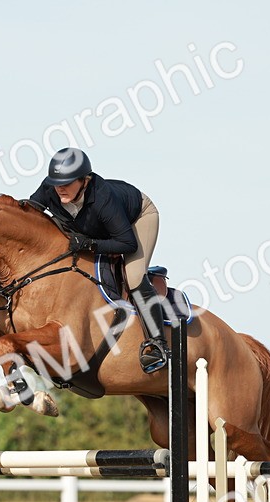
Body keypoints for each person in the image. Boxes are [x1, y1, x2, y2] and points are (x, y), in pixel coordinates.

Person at [29, 148, 168, 373]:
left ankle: (158, 344)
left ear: (85, 180)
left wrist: (89, 244)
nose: (60, 187)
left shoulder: (103, 198)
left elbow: (127, 244)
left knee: (132, 277)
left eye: (67, 181)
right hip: (97, 227)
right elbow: (30, 215)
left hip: (137, 218)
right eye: (56, 182)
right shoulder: (50, 188)